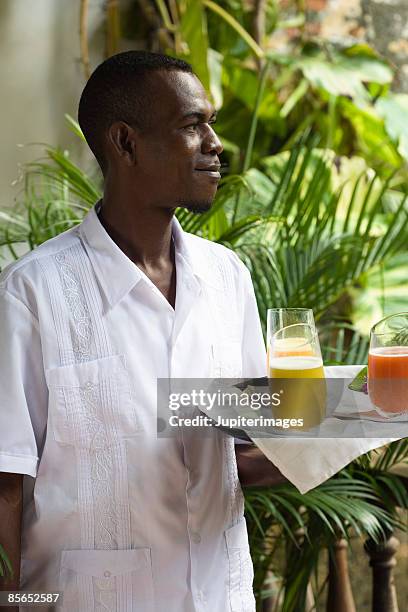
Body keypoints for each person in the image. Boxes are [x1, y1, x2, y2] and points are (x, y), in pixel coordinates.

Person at [0, 51, 393, 612]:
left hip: (220, 596)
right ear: (125, 142)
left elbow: (239, 453)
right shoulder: (30, 293)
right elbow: (5, 483)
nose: (215, 144)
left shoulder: (226, 276)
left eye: (210, 124)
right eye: (192, 125)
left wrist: (356, 420)